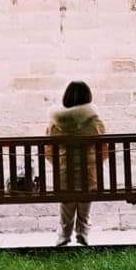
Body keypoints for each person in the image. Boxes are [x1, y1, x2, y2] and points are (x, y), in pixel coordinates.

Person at [47, 80, 106, 247]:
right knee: (85, 193)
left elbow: (48, 150)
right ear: (88, 97)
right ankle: (83, 231)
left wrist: (59, 164)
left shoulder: (55, 123)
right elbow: (103, 148)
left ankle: (64, 233)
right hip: (89, 175)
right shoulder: (94, 122)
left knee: (67, 197)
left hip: (64, 175)